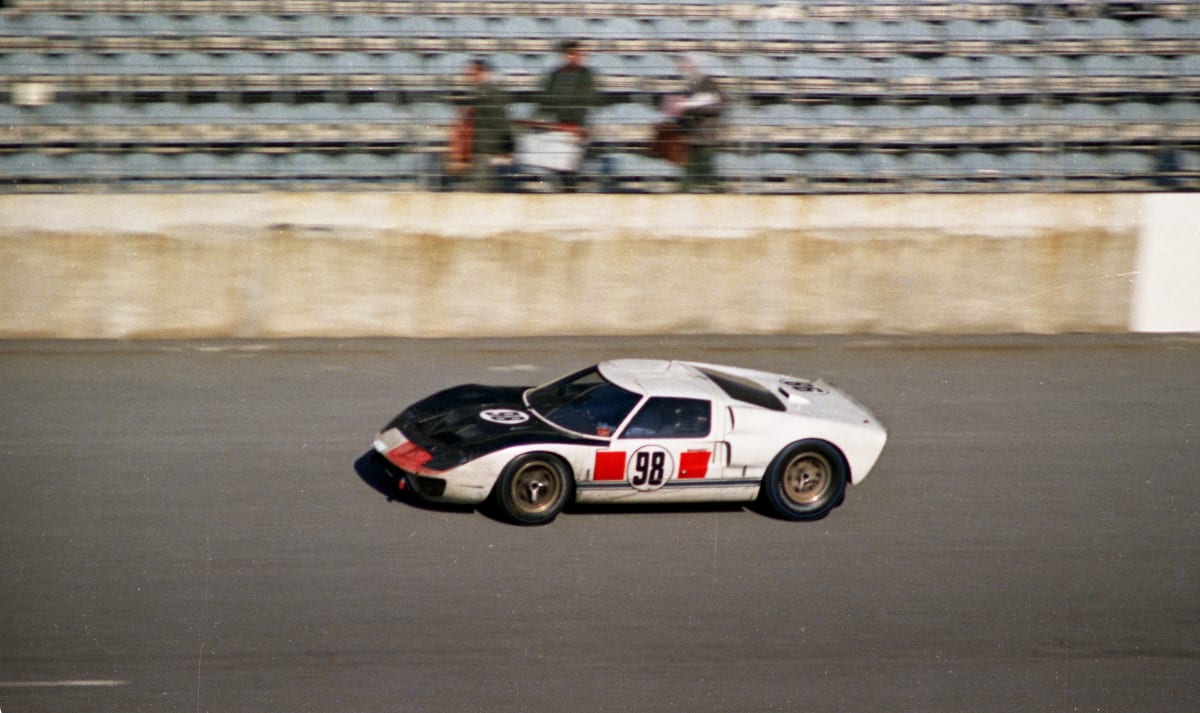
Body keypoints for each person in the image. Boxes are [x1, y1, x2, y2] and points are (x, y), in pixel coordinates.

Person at [534, 40, 597, 191]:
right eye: (572, 54)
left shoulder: (586, 75)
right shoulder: (555, 75)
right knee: (558, 170)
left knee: (571, 170)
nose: (576, 57)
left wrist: (577, 127)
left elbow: (583, 101)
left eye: (579, 54)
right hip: (558, 128)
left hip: (576, 128)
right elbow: (546, 101)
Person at [665, 54, 726, 193]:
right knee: (692, 172)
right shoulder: (691, 85)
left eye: (685, 63)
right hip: (693, 137)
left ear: (694, 65)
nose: (681, 67)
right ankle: (683, 194)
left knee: (706, 174)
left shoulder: (708, 83)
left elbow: (720, 104)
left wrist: (690, 107)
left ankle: (722, 194)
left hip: (705, 137)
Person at [451, 58, 513, 192]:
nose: (467, 78)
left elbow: (501, 122)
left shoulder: (490, 92)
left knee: (480, 188)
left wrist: (506, 149)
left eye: (471, 74)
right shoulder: (479, 92)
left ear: (483, 73)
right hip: (478, 149)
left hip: (487, 149)